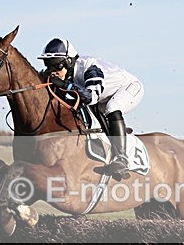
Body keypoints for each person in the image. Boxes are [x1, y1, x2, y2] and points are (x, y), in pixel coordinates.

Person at [38, 38, 144, 178]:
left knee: (112, 107)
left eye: (55, 65)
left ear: (69, 62)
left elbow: (91, 97)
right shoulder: (68, 72)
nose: (52, 70)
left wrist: (64, 85)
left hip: (129, 87)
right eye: (48, 65)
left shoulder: (90, 69)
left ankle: (122, 158)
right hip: (104, 93)